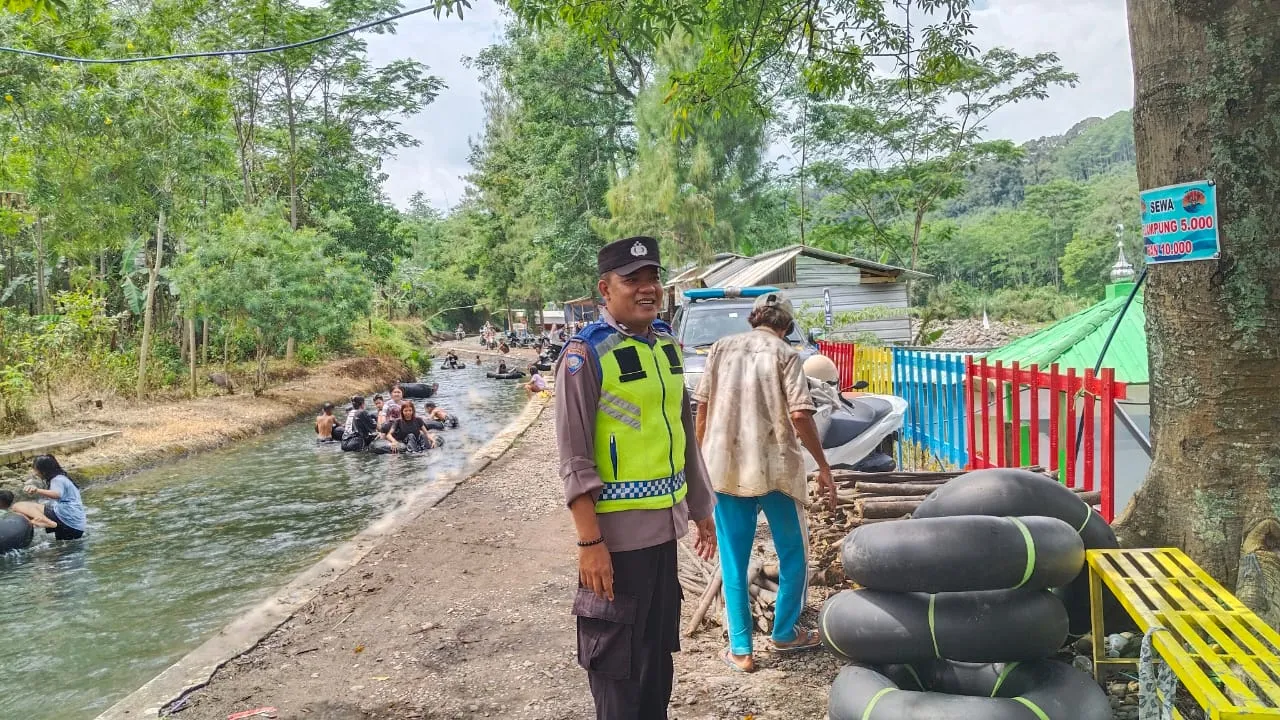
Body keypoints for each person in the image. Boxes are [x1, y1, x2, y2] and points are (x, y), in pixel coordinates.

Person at [555, 235, 717, 719]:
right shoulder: (585, 355)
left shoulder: (666, 345)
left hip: (664, 535)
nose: (647, 289)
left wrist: (702, 510)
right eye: (633, 281)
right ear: (606, 289)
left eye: (653, 279)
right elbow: (574, 458)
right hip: (615, 545)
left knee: (655, 668)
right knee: (617, 676)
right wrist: (590, 545)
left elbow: (684, 432)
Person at [692, 290, 837, 673]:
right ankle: (785, 633)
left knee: (733, 560)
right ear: (787, 327)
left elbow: (702, 408)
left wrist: (700, 462)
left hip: (724, 469)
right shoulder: (787, 355)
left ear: (753, 320)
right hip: (776, 470)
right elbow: (802, 414)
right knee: (794, 555)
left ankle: (741, 650)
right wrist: (822, 465)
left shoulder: (721, 348)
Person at [24, 455, 87, 540]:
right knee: (62, 550)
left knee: (23, 507)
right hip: (76, 524)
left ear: (44, 470)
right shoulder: (62, 477)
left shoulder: (57, 480)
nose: (35, 473)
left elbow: (57, 494)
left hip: (68, 520)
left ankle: (43, 524)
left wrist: (37, 490)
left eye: (36, 469)